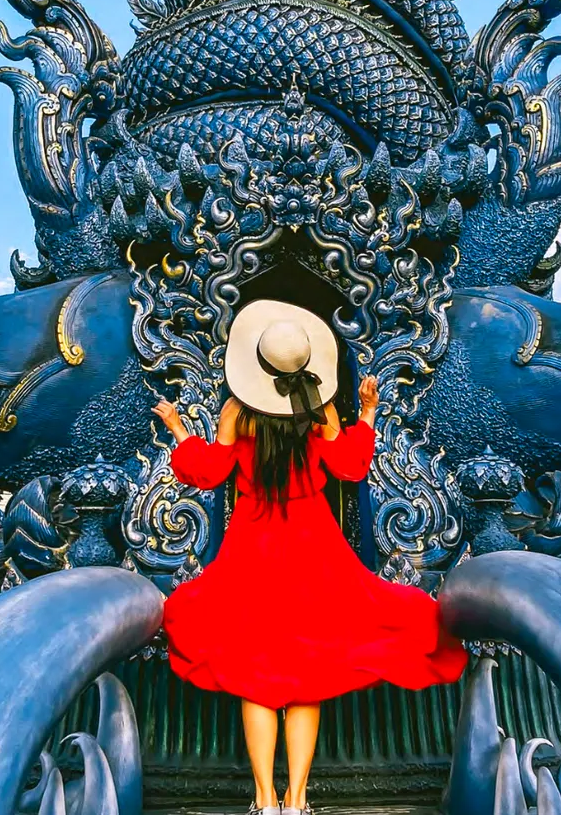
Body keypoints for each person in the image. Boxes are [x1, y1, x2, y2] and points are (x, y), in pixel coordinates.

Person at [152, 298, 467, 815]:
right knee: (306, 676)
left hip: (252, 547)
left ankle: (264, 801)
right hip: (313, 547)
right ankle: (298, 802)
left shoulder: (238, 411)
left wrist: (180, 431)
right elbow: (351, 466)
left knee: (253, 674)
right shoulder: (318, 409)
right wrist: (367, 412)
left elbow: (206, 473)